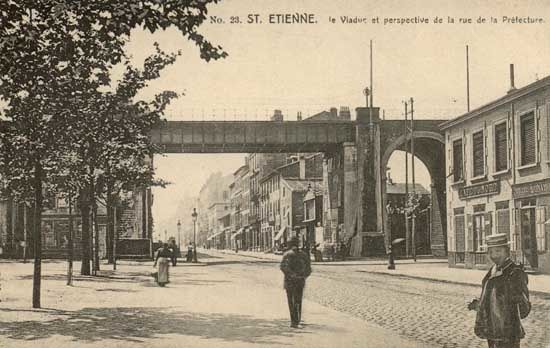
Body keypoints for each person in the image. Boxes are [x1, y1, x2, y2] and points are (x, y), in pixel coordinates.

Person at [467, 233, 531, 348]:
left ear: (507, 251)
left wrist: (513, 301)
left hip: (508, 331)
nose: (494, 255)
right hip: (492, 329)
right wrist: (479, 303)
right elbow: (490, 295)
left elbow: (524, 308)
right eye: (491, 252)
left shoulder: (514, 272)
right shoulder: (493, 270)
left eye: (498, 251)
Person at [280, 236, 312, 328]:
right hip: (300, 281)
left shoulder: (287, 254)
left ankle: (293, 321)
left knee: (291, 301)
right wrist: (303, 276)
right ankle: (297, 320)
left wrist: (291, 275)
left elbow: (283, 267)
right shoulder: (304, 254)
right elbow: (309, 269)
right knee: (298, 300)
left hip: (289, 282)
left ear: (289, 244)